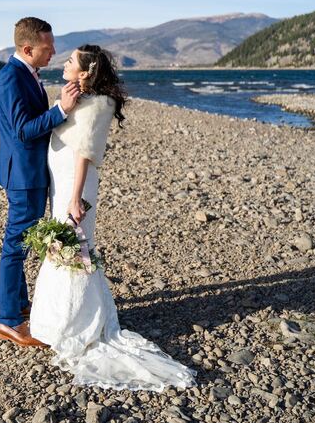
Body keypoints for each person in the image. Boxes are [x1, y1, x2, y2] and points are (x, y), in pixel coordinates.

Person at [30, 45, 195, 391]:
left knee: (72, 249)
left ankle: (75, 325)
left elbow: (84, 154)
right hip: (61, 185)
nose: (65, 63)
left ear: (86, 71)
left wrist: (75, 198)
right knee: (63, 249)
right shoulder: (80, 97)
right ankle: (60, 320)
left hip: (76, 188)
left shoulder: (100, 104)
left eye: (71, 61)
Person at [0, 17, 80, 347]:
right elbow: (23, 130)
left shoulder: (25, 73)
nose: (54, 52)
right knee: (15, 245)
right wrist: (61, 110)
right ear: (27, 49)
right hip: (23, 176)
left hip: (28, 172)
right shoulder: (10, 79)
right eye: (48, 47)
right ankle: (10, 321)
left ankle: (17, 304)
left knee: (23, 240)